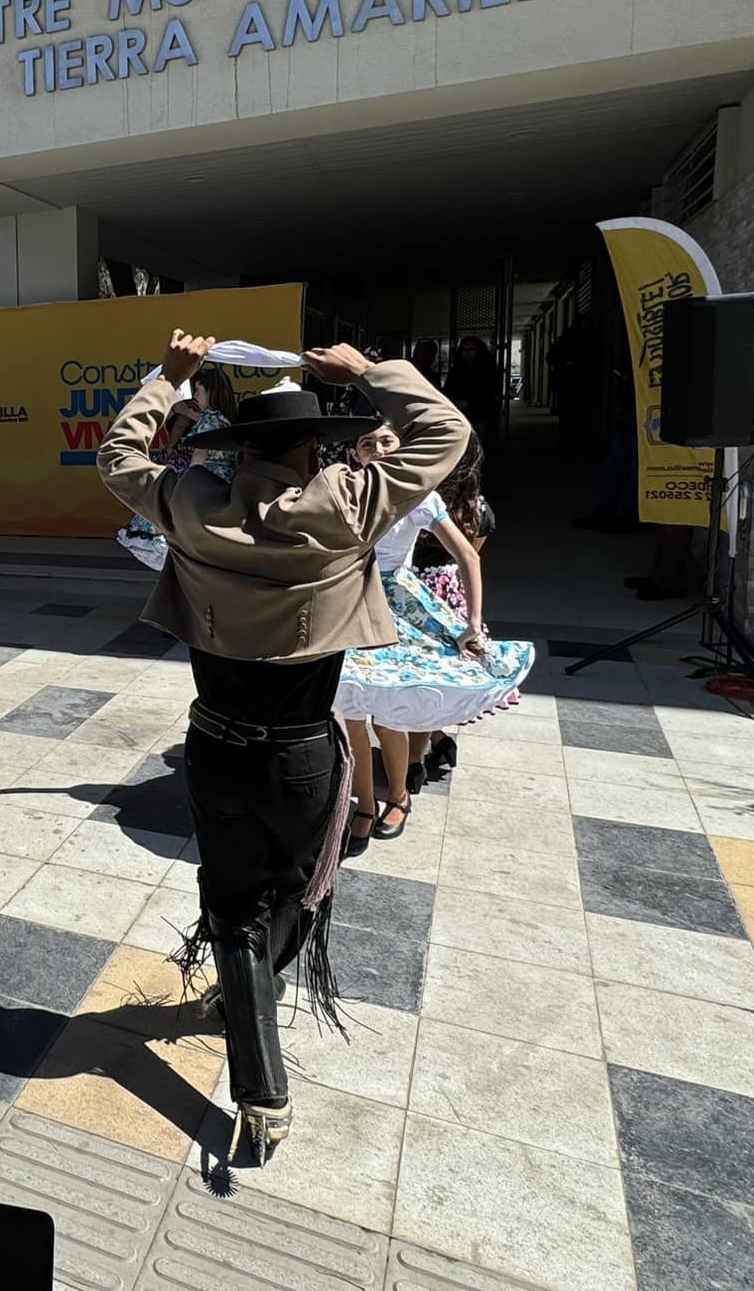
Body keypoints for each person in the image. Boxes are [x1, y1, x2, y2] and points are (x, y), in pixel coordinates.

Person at [98, 333, 469, 1167]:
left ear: (239, 451)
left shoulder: (191, 503)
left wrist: (170, 376)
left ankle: (259, 1076)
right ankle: (253, 1012)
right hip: (303, 755)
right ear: (315, 448)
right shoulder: (347, 503)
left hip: (214, 747)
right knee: (294, 900)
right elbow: (447, 434)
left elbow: (119, 456)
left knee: (231, 906)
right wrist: (369, 373)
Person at [335, 423, 533, 853]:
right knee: (350, 710)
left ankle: (398, 796)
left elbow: (467, 556)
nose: (377, 447)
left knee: (389, 710)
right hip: (350, 602)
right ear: (356, 452)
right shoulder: (344, 488)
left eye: (386, 439)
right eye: (367, 442)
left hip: (396, 605)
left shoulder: (420, 496)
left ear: (403, 448)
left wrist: (473, 624)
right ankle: (364, 804)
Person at [410, 435, 501, 787]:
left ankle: (413, 764)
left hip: (413, 592)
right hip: (452, 594)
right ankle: (437, 740)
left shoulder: (418, 498)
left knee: (418, 678)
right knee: (437, 676)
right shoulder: (478, 509)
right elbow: (470, 557)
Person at [116, 367, 238, 571]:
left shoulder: (209, 418)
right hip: (224, 483)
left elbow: (199, 457)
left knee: (169, 519)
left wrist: (185, 488)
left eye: (198, 391)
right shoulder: (224, 418)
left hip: (206, 481)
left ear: (211, 392)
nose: (196, 396)